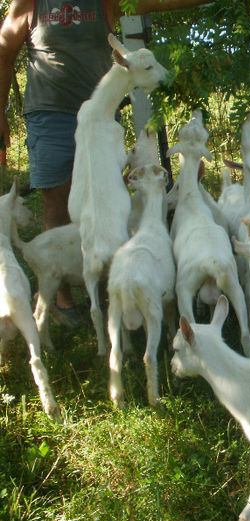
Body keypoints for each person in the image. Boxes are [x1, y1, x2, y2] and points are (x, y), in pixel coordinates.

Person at [0, 0, 209, 319]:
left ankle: (105, 288)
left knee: (105, 198)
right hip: (49, 114)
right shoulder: (30, 2)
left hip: (100, 114)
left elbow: (156, 1)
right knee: (58, 207)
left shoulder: (105, 1)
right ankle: (64, 298)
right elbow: (4, 51)